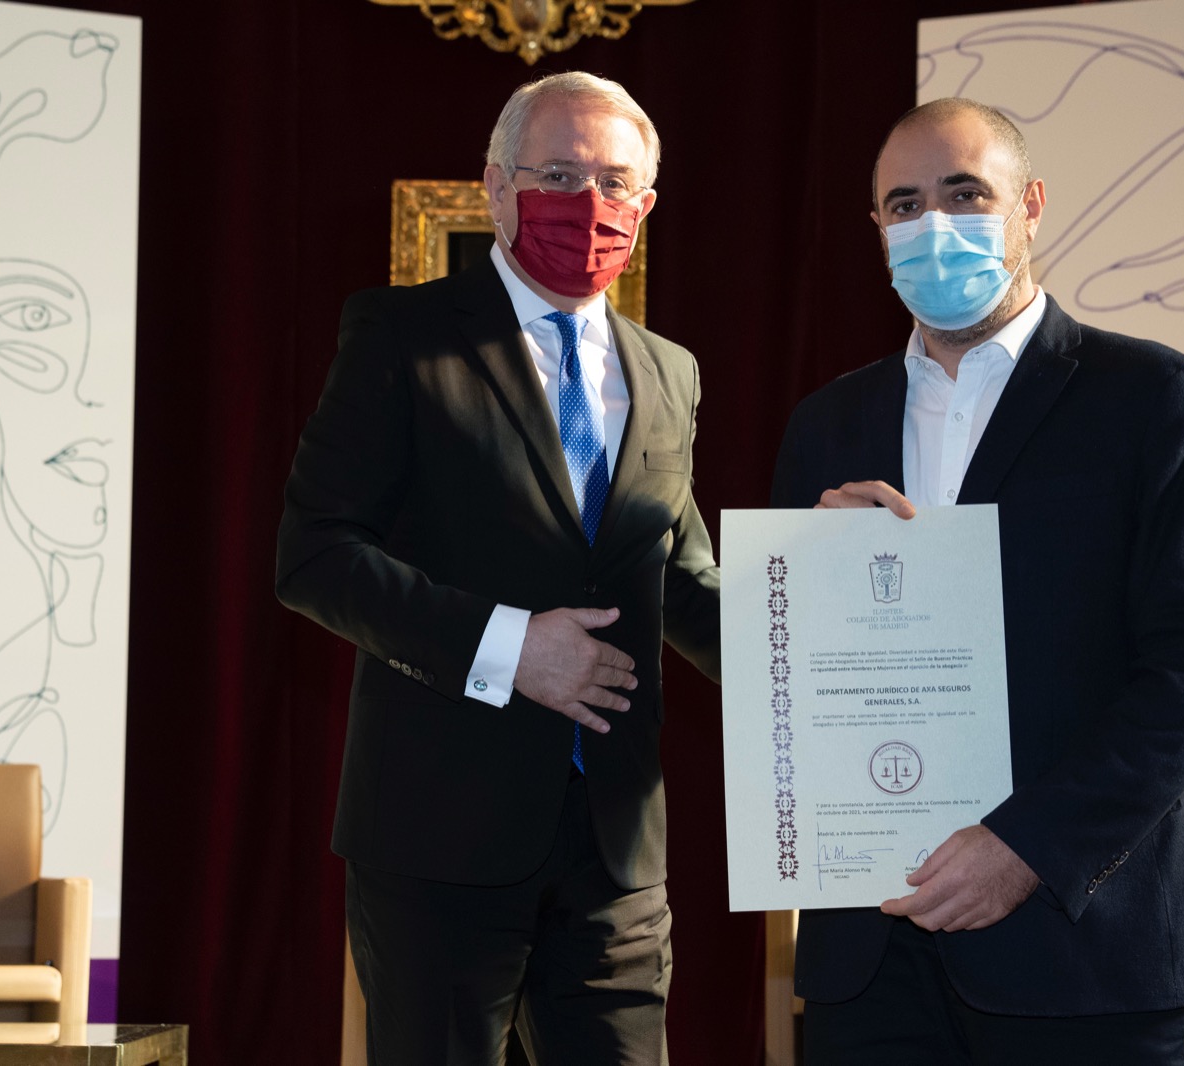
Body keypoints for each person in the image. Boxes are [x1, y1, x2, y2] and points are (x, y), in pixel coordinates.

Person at [772, 98, 1184, 1065]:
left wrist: (1030, 846)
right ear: (877, 229)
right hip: (872, 956)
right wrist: (806, 579)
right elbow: (785, 674)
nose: (933, 225)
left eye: (964, 195)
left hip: (1089, 950)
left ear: (1029, 205)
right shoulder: (827, 424)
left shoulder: (1152, 396)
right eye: (904, 205)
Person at [276, 72, 720, 1065]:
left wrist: (828, 633)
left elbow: (683, 581)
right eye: (558, 174)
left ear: (647, 204)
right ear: (495, 185)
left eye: (614, 181)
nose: (589, 203)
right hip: (437, 837)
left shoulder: (669, 371)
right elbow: (315, 554)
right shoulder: (400, 336)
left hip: (616, 851)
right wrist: (510, 648)